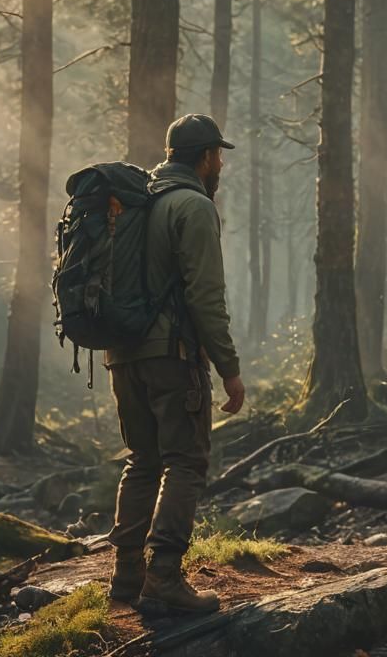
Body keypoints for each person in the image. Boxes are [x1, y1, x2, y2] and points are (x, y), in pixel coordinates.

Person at [105, 113, 247, 615]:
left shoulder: (135, 202)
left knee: (141, 461)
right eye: (219, 155)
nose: (221, 164)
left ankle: (126, 578)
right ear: (205, 157)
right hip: (173, 355)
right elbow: (206, 296)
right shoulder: (193, 206)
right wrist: (228, 368)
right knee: (184, 461)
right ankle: (164, 576)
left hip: (122, 355)